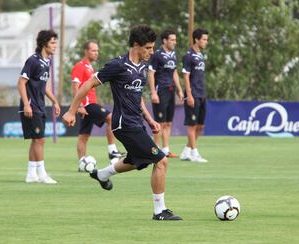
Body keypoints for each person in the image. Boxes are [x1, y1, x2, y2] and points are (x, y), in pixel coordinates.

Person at [63, 25, 182, 221]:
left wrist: (149, 119)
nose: (152, 52)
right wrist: (71, 110)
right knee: (161, 160)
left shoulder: (143, 67)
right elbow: (87, 84)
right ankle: (159, 211)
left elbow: (137, 97)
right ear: (136, 45)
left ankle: (101, 174)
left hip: (136, 122)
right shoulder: (117, 65)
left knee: (136, 161)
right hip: (123, 124)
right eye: (149, 48)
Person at [71, 40, 123, 168]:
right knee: (111, 118)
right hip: (86, 105)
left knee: (84, 135)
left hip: (90, 104)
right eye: (93, 50)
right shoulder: (80, 66)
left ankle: (81, 162)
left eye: (97, 50)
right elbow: (75, 86)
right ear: (86, 51)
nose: (96, 53)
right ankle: (112, 151)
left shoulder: (89, 67)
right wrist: (80, 106)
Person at [17, 30, 61, 184]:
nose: (55, 46)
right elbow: (21, 83)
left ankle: (31, 174)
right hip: (31, 107)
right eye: (52, 43)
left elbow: (45, 87)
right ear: (44, 44)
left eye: (56, 42)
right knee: (40, 140)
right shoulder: (33, 61)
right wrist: (27, 104)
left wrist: (55, 101)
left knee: (36, 140)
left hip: (40, 106)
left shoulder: (46, 62)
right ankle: (42, 174)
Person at [148, 29, 183, 158]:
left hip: (170, 90)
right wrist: (153, 93)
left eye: (175, 39)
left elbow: (174, 72)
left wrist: (179, 89)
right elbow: (151, 73)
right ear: (164, 41)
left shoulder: (173, 54)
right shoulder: (157, 54)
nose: (175, 42)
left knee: (168, 122)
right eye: (172, 40)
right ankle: (155, 150)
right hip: (160, 90)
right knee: (159, 122)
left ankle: (166, 150)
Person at [179, 28, 209, 162]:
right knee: (192, 125)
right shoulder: (188, 56)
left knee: (200, 126)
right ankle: (195, 154)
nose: (206, 42)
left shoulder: (201, 55)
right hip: (193, 94)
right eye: (204, 39)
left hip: (202, 94)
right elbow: (185, 76)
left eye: (206, 39)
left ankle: (187, 150)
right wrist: (189, 95)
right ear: (196, 40)